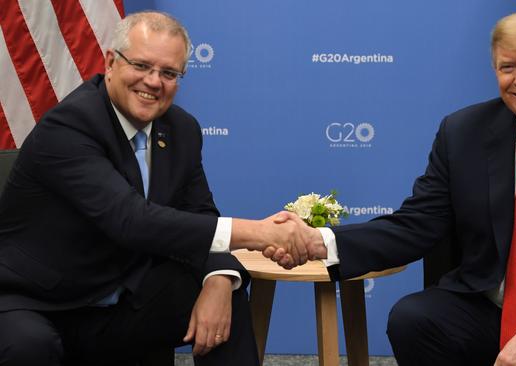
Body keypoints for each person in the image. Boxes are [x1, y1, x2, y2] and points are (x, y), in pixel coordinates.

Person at [270, 8, 516, 365]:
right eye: (507, 67)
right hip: (491, 306)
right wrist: (323, 242)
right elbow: (417, 224)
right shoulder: (463, 132)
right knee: (414, 319)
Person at [0, 11, 308, 366]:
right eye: (142, 66)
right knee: (29, 346)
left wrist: (220, 277)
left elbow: (199, 214)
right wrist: (260, 233)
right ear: (110, 63)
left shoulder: (182, 129)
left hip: (119, 299)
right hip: (36, 303)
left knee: (223, 293)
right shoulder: (70, 126)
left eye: (169, 73)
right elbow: (131, 220)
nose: (153, 81)